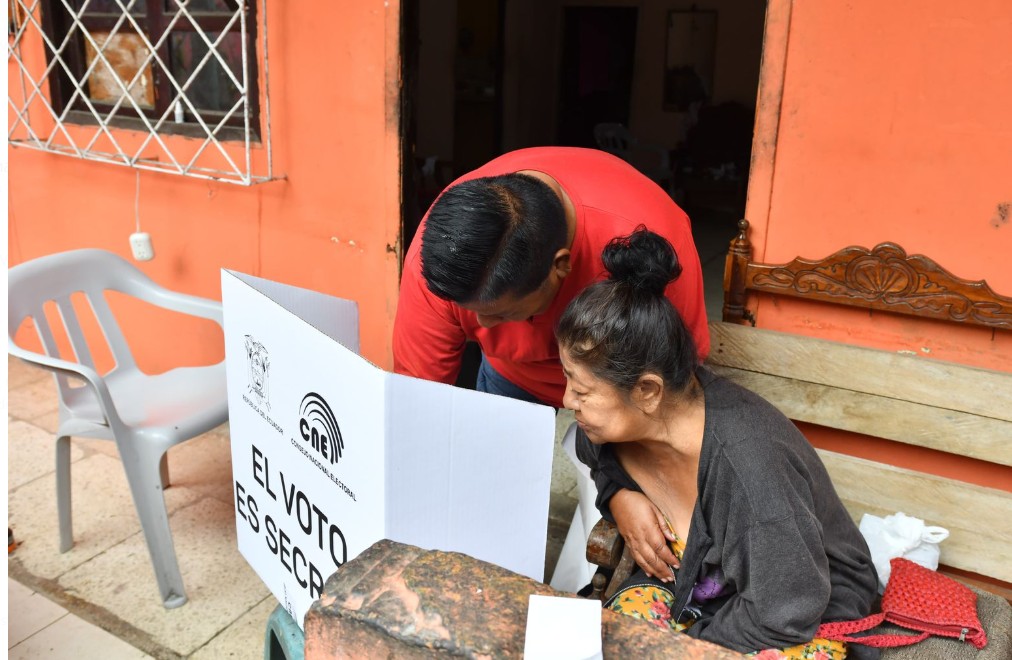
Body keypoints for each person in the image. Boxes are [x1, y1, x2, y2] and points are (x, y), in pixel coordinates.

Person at [557, 228, 879, 658]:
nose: (567, 401)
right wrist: (620, 497)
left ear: (648, 392)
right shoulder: (613, 430)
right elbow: (592, 455)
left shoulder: (749, 471)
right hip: (699, 588)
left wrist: (680, 650)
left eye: (581, 391)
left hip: (797, 612)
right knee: (604, 638)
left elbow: (785, 612)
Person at [393, 147, 709, 408]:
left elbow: (674, 376)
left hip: (618, 387)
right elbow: (420, 399)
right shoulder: (443, 253)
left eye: (502, 313)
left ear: (560, 266)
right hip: (515, 374)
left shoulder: (655, 242)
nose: (480, 326)